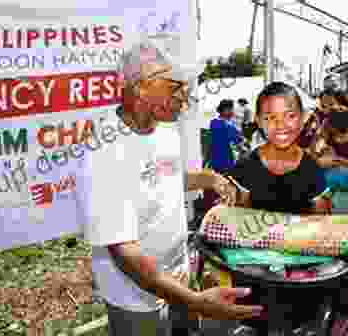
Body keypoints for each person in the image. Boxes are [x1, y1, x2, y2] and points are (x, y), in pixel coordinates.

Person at [77, 41, 262, 336]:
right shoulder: (104, 151)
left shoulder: (165, 129)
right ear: (141, 87)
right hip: (136, 294)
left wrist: (209, 179)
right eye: (176, 88)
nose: (184, 99)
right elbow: (124, 253)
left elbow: (165, 177)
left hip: (179, 273)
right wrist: (197, 302)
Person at [224, 81, 329, 214]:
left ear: (302, 118)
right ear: (258, 120)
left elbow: (321, 221)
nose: (280, 125)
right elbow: (240, 220)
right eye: (270, 117)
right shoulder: (246, 165)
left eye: (290, 116)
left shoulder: (312, 168)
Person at [209, 99, 243, 173]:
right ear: (225, 110)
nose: (233, 112)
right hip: (226, 163)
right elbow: (239, 141)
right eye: (231, 110)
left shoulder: (213, 122)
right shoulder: (227, 126)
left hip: (214, 162)